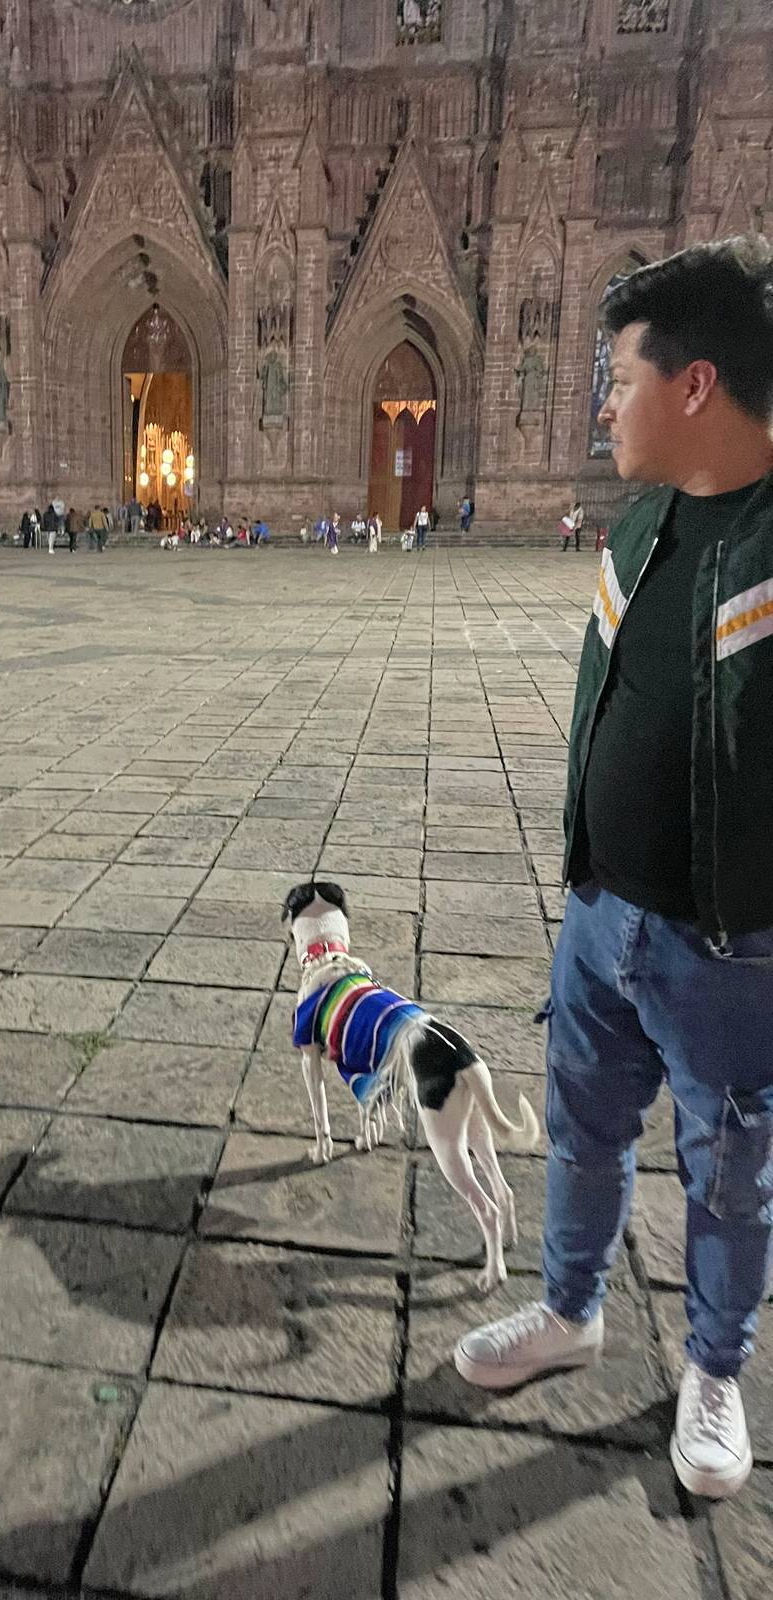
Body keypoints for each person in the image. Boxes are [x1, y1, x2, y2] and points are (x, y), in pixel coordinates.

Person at [455, 238, 773, 1504]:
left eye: (619, 375)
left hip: (729, 947)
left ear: (695, 384)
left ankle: (712, 1369)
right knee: (583, 1136)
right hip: (600, 920)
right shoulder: (640, 526)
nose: (602, 401)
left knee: (730, 1164)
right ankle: (570, 1309)